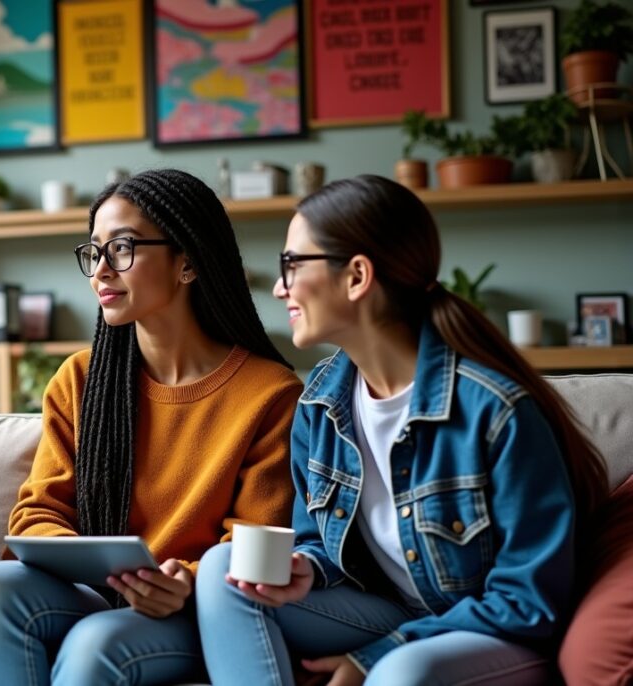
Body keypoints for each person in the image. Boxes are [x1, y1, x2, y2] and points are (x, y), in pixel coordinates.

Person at [195, 174, 609, 686]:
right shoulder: (320, 404)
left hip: (492, 632)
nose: (280, 287)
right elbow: (318, 541)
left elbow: (528, 603)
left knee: (402, 673)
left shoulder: (495, 411)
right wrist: (308, 568)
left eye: (292, 264)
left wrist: (376, 655)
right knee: (223, 568)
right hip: (388, 613)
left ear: (357, 276)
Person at [0, 168, 304, 686]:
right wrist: (87, 563)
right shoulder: (80, 378)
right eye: (94, 251)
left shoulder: (270, 394)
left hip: (197, 611)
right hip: (96, 590)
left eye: (121, 248)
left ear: (187, 262)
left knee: (97, 643)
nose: (101, 269)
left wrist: (182, 583)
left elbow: (255, 544)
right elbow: (36, 513)